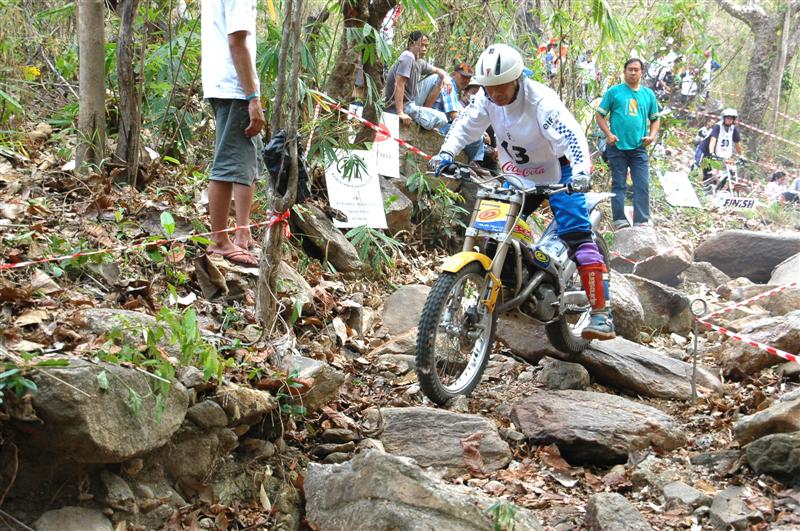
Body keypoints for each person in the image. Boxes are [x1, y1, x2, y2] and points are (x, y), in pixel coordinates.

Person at [433, 44, 616, 340]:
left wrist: (582, 173)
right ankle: (516, 282)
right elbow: (466, 125)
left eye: (501, 86)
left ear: (517, 78)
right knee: (494, 232)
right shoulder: (486, 98)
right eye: (489, 87)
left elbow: (572, 137)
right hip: (517, 174)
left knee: (577, 235)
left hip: (559, 172)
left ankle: (601, 313)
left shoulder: (541, 102)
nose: (495, 93)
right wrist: (445, 154)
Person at [201, 0, 263, 267]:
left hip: (227, 84)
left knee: (246, 159)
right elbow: (237, 41)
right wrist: (252, 96)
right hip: (234, 87)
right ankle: (219, 239)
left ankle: (241, 231)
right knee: (227, 163)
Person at [595, 58, 660, 229]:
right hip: (617, 146)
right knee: (619, 184)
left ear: (641, 72)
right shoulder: (614, 92)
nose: (633, 72)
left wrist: (652, 136)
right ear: (624, 72)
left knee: (642, 184)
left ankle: (641, 221)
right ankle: (619, 220)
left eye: (636, 69)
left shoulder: (648, 94)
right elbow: (599, 114)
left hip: (639, 147)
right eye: (630, 69)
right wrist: (608, 134)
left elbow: (655, 119)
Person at [383, 31, 449, 130]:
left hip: (411, 102)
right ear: (411, 44)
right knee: (442, 119)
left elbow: (437, 70)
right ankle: (420, 117)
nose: (424, 49)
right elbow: (399, 83)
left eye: (426, 46)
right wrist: (400, 113)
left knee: (439, 77)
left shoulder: (420, 62)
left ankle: (423, 112)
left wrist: (446, 78)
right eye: (421, 45)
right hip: (399, 106)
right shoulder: (407, 56)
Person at [699, 108, 743, 183]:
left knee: (717, 175)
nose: (729, 120)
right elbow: (713, 140)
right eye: (727, 118)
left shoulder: (733, 129)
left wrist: (741, 156)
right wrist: (711, 153)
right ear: (724, 118)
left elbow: (737, 143)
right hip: (707, 150)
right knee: (705, 172)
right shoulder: (718, 126)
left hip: (719, 152)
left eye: (731, 119)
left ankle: (714, 186)